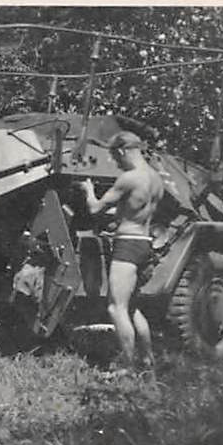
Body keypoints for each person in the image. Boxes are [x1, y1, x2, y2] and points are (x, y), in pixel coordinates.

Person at [77, 131, 165, 369]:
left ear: (123, 150)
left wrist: (88, 190)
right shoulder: (157, 180)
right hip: (144, 242)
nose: (116, 163)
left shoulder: (129, 178)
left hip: (127, 244)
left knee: (116, 307)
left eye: (116, 157)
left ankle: (127, 366)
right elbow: (132, 210)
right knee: (132, 307)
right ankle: (146, 360)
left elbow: (94, 209)